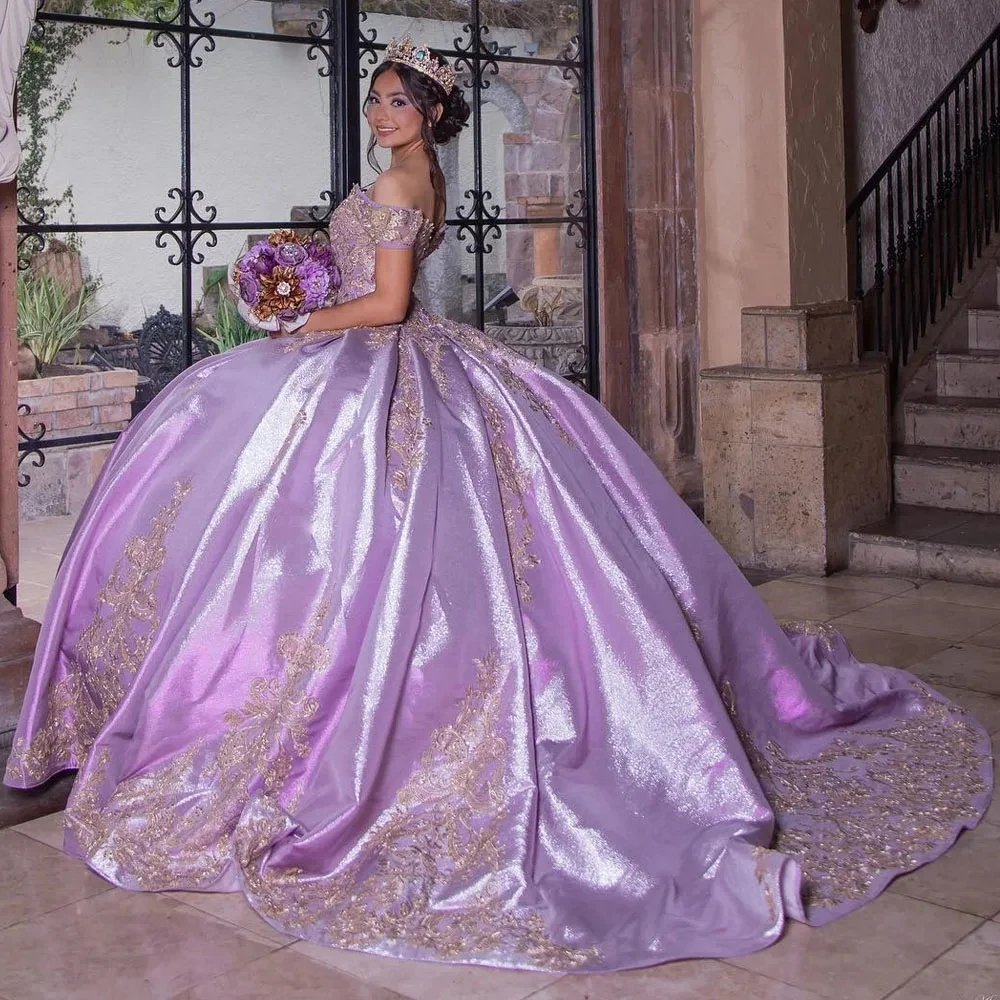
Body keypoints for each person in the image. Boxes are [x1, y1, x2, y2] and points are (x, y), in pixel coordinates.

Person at [4, 38, 992, 973]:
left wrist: (304, 315)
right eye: (376, 99)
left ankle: (338, 724)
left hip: (374, 364)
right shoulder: (404, 176)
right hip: (382, 365)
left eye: (398, 101)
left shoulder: (401, 179)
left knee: (349, 542)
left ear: (430, 114)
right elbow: (375, 278)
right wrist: (299, 278)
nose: (380, 112)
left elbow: (387, 306)